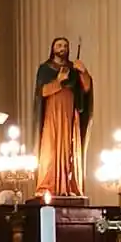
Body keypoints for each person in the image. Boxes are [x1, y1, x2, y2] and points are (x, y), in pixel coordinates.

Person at [35, 36, 92, 197]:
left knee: (69, 148)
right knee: (51, 147)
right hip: (52, 112)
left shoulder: (73, 69)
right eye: (59, 45)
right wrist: (58, 81)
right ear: (53, 48)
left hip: (69, 112)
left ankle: (68, 185)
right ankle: (49, 184)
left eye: (65, 46)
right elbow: (42, 92)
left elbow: (86, 89)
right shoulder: (45, 68)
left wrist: (84, 72)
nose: (62, 48)